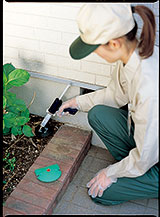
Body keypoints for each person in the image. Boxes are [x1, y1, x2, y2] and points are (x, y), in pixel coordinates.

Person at [57, 4, 159, 205]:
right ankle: (133, 172)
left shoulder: (149, 87)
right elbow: (116, 95)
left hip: (152, 154)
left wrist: (110, 173)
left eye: (95, 49)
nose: (95, 54)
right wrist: (77, 102)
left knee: (102, 193)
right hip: (151, 142)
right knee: (98, 114)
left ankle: (143, 177)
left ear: (113, 43)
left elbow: (146, 155)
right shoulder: (134, 54)